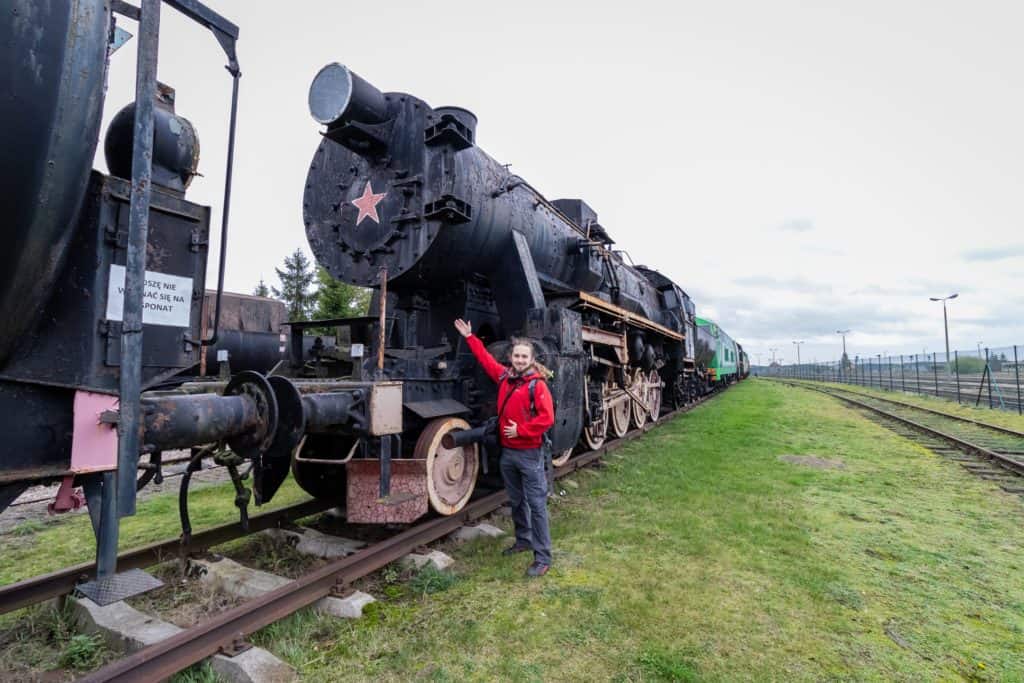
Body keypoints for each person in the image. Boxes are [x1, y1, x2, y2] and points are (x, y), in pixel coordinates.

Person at [454, 318, 555, 577]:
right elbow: (486, 360)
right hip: (508, 453)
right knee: (517, 500)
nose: (520, 360)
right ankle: (523, 541)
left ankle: (543, 558)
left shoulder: (537, 385)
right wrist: (470, 337)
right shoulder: (505, 378)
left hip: (529, 454)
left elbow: (547, 419)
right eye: (517, 356)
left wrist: (520, 430)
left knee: (537, 505)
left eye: (524, 357)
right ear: (511, 358)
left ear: (531, 359)